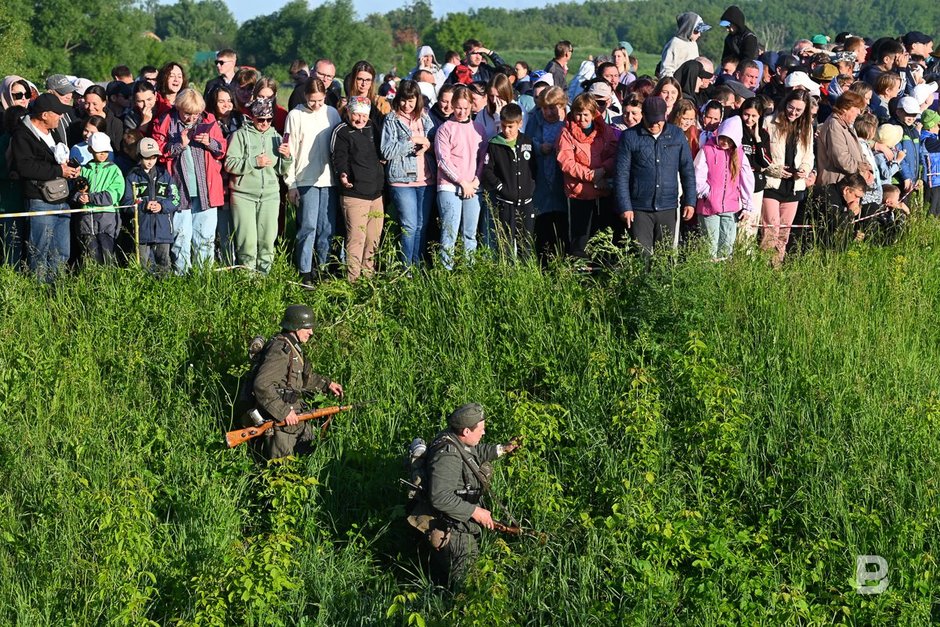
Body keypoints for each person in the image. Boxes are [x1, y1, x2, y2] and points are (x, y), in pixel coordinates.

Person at [425, 402, 520, 588]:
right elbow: (440, 496)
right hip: (455, 529)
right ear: (466, 431)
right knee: (469, 584)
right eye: (481, 430)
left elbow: (474, 453)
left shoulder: (456, 439)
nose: (483, 433)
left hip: (461, 519)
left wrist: (503, 449)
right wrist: (476, 512)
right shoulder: (448, 456)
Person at [251, 304, 344, 461]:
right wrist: (284, 411)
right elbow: (262, 384)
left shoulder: (293, 347)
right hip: (281, 423)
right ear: (295, 326)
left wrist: (327, 384)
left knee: (312, 450)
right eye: (307, 328)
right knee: (281, 471)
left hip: (295, 418)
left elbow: (302, 379)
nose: (311, 332)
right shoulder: (280, 349)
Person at [151, 88, 226, 274]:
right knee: (181, 237)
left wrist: (209, 142)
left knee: (205, 237)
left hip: (206, 190)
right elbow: (158, 153)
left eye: (196, 114)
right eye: (188, 114)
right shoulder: (165, 121)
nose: (192, 118)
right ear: (179, 108)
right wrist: (179, 145)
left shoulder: (209, 120)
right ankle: (182, 277)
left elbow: (222, 150)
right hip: (178, 190)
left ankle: (203, 277)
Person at [614, 96, 696, 259]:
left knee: (664, 255)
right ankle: (640, 284)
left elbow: (687, 170)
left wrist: (690, 201)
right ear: (643, 115)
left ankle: (663, 285)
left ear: (665, 116)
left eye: (658, 121)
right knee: (642, 254)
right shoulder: (630, 137)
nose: (655, 125)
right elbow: (621, 174)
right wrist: (625, 206)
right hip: (639, 207)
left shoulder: (677, 135)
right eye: (651, 120)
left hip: (668, 205)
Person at [11, 93, 82, 280]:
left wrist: (70, 168)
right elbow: (25, 167)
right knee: (39, 252)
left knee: (62, 252)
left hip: (61, 198)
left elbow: (58, 160)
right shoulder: (22, 135)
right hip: (39, 200)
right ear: (44, 115)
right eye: (57, 113)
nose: (61, 117)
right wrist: (59, 171)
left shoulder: (54, 131)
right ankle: (39, 293)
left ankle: (57, 292)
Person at [225, 98, 292, 274]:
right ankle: (247, 281)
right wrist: (254, 162)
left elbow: (279, 170)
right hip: (243, 195)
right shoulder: (240, 135)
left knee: (267, 240)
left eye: (268, 120)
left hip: (270, 195)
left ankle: (264, 280)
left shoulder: (276, 137)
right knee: (246, 242)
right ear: (252, 117)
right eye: (260, 119)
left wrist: (286, 158)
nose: (264, 123)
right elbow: (229, 163)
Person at [285, 77, 343, 282]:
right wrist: (291, 183)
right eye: (312, 101)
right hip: (305, 178)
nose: (316, 105)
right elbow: (289, 151)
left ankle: (324, 267)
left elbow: (338, 143)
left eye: (319, 101)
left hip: (329, 179)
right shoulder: (295, 115)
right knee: (308, 225)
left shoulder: (331, 113)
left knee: (327, 227)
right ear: (305, 97)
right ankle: (305, 269)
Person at [380, 80, 435, 268]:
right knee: (409, 226)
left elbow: (434, 142)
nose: (407, 105)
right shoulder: (391, 119)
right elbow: (386, 150)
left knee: (421, 226)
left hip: (426, 178)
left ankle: (417, 265)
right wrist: (412, 141)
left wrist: (426, 144)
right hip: (402, 180)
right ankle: (406, 268)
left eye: (411, 101)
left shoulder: (425, 117)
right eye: (403, 100)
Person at [557, 93, 619, 258]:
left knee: (603, 236)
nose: (582, 118)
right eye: (578, 114)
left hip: (603, 191)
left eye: (586, 114)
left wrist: (603, 171)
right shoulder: (566, 133)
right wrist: (591, 175)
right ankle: (579, 273)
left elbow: (614, 154)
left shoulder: (605, 130)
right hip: (579, 193)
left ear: (593, 114)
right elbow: (567, 163)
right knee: (580, 239)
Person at [331, 97, 385, 281]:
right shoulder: (342, 131)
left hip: (376, 193)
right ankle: (352, 281)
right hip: (355, 194)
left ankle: (367, 279)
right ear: (348, 112)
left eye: (364, 115)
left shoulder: (372, 127)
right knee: (357, 239)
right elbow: (338, 157)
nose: (360, 119)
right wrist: (343, 174)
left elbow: (381, 149)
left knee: (373, 240)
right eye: (356, 114)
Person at [760, 90, 815, 266]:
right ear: (785, 104)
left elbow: (809, 155)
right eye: (791, 107)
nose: (793, 113)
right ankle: (766, 265)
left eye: (799, 110)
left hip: (794, 184)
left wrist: (805, 170)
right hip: (772, 183)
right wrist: (772, 169)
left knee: (785, 230)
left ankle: (777, 265)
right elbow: (762, 152)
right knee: (771, 228)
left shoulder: (806, 127)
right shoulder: (769, 122)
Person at [434, 86, 485, 269]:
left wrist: (475, 182)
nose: (462, 112)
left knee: (470, 234)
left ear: (471, 106)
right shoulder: (445, 129)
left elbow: (482, 159)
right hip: (450, 187)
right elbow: (443, 160)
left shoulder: (478, 129)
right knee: (450, 233)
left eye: (465, 108)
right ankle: (446, 271)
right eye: (458, 107)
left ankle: (469, 271)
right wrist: (462, 182)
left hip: (473, 187)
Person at [480, 103, 537, 260]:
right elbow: (487, 170)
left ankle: (526, 275)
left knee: (526, 243)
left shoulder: (527, 142)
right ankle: (507, 275)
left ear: (520, 124)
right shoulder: (495, 144)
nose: (507, 130)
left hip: (526, 202)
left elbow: (534, 168)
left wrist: (530, 187)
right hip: (505, 203)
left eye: (511, 126)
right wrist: (500, 187)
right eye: (504, 126)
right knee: (505, 243)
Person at [693, 116, 754, 260]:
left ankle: (723, 277)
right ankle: (708, 276)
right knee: (709, 246)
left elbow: (746, 179)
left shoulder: (739, 154)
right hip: (709, 207)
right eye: (722, 138)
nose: (724, 142)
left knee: (727, 246)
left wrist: (747, 205)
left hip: (730, 206)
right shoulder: (707, 149)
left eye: (729, 140)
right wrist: (707, 193)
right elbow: (697, 173)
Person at [122, 137, 180, 273]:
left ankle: (164, 291)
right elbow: (126, 203)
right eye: (147, 157)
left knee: (164, 262)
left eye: (154, 157)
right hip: (141, 229)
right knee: (142, 264)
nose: (150, 161)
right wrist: (143, 206)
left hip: (163, 229)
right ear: (139, 156)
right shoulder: (132, 177)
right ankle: (143, 291)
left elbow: (176, 199)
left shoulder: (164, 175)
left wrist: (162, 206)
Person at [526, 86, 568, 261]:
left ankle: (562, 262)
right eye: (545, 108)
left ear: (562, 106)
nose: (549, 112)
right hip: (542, 180)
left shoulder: (568, 122)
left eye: (553, 107)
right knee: (543, 225)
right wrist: (538, 147)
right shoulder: (535, 120)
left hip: (562, 182)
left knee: (562, 225)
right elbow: (526, 142)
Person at [72, 132, 124, 265]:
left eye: (105, 151)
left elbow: (114, 194)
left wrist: (90, 198)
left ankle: (110, 281)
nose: (102, 154)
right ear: (90, 150)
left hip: (107, 218)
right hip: (86, 219)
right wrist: (79, 197)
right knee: (90, 255)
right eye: (98, 151)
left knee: (108, 253)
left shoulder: (114, 170)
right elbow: (73, 191)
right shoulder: (83, 170)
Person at [816, 91, 872, 186]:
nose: (859, 112)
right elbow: (841, 159)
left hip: (849, 182)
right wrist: (861, 169)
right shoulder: (834, 125)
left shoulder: (847, 125)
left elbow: (859, 152)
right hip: (836, 183)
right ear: (845, 108)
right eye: (856, 108)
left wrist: (868, 169)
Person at [738, 97, 771, 241]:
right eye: (746, 114)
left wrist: (757, 138)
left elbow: (765, 162)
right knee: (739, 224)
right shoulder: (736, 130)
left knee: (751, 225)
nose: (749, 119)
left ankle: (747, 258)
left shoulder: (763, 134)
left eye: (754, 116)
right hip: (739, 184)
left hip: (756, 185)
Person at [658, 12, 711, 78]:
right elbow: (666, 70)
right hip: (676, 84)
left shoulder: (693, 44)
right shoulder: (675, 44)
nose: (699, 34)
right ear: (688, 28)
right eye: (696, 31)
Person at [919, 109, 940, 217]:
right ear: (931, 126)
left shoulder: (932, 138)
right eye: (938, 125)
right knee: (932, 213)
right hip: (932, 181)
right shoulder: (928, 140)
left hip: (937, 180)